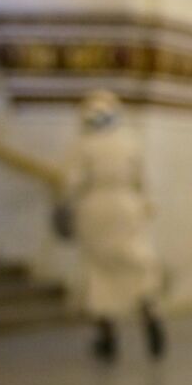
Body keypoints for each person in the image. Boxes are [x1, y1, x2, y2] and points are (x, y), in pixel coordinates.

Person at [64, 90, 167, 361]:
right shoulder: (130, 142)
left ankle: (107, 336)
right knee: (136, 263)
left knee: (98, 271)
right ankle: (150, 313)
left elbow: (72, 182)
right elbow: (144, 180)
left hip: (95, 208)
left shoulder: (84, 144)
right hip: (127, 206)